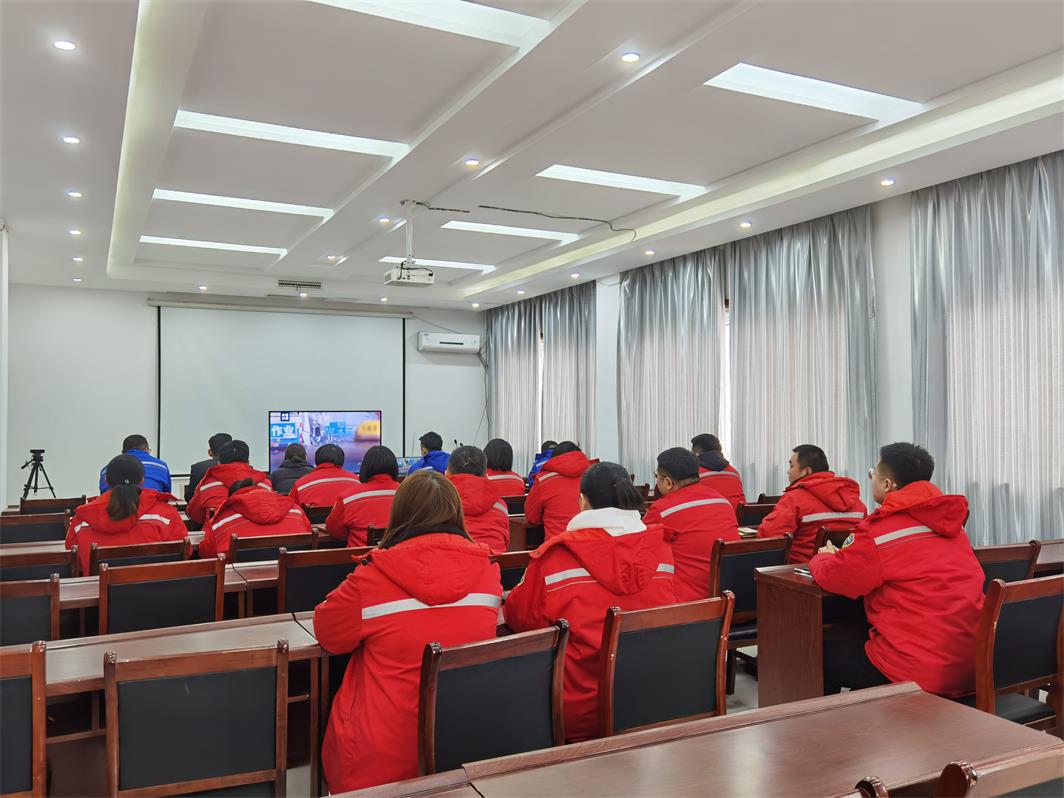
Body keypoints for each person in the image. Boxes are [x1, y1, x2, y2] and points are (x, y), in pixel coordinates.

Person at [315, 470, 502, 792]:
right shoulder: (489, 571)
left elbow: (328, 634)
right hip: (463, 750)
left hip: (377, 759)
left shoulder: (372, 577)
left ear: (399, 514)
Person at [505, 462, 677, 742]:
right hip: (651, 703)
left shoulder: (555, 557)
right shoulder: (662, 548)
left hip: (579, 711)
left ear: (583, 501)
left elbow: (520, 618)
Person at [810, 443, 985, 697]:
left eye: (873, 473)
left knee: (816, 655)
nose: (871, 479)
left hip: (917, 673)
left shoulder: (880, 531)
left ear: (887, 484)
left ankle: (829, 724)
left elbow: (837, 578)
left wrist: (823, 557)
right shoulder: (953, 527)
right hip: (972, 666)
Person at [643, 447, 740, 601]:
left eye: (657, 476)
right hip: (729, 597)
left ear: (668, 482)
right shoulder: (723, 501)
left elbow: (640, 547)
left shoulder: (662, 511)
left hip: (688, 604)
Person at [68, 455, 187, 575]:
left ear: (106, 480)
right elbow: (185, 553)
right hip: (156, 585)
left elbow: (73, 560)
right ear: (142, 480)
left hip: (98, 586)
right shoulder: (167, 515)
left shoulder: (82, 520)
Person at [757, 444, 867, 562]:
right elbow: (866, 537)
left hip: (801, 570)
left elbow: (768, 536)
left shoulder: (794, 498)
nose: (788, 472)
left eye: (792, 466)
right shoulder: (855, 501)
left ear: (807, 471)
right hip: (846, 567)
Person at [198, 479, 311, 560]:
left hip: (240, 583)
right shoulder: (296, 510)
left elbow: (206, 554)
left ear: (232, 498)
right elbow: (309, 538)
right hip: (295, 579)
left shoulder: (220, 520)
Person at [325, 446, 401, 547]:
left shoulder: (348, 498)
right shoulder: (407, 493)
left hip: (360, 556)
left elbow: (334, 530)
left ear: (364, 467)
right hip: (400, 554)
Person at [186, 440, 271, 525]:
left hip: (220, 531)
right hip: (262, 531)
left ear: (219, 463)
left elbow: (194, 514)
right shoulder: (265, 484)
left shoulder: (207, 485)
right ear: (248, 462)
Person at [525, 441, 593, 540]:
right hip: (590, 543)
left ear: (554, 458)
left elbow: (532, 517)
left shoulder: (543, 479)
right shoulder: (594, 477)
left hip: (558, 544)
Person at [446, 445, 509, 552]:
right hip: (493, 560)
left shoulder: (439, 503)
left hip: (452, 559)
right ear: (485, 475)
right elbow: (506, 541)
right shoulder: (500, 505)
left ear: (447, 474)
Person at [290, 444, 361, 507]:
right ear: (342, 460)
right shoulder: (356, 481)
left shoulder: (300, 485)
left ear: (317, 460)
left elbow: (290, 509)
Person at [98, 434, 171, 495]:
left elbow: (103, 494)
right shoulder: (161, 466)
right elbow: (166, 496)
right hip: (151, 504)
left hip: (113, 506)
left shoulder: (106, 469)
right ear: (146, 449)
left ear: (123, 452)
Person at [690, 433, 746, 510]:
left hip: (716, 515)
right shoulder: (733, 472)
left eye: (693, 454)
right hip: (741, 516)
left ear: (697, 453)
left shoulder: (694, 475)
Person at [185, 432, 232, 502]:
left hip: (206, 507)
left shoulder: (198, 468)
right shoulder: (242, 468)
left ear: (210, 452)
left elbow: (190, 497)